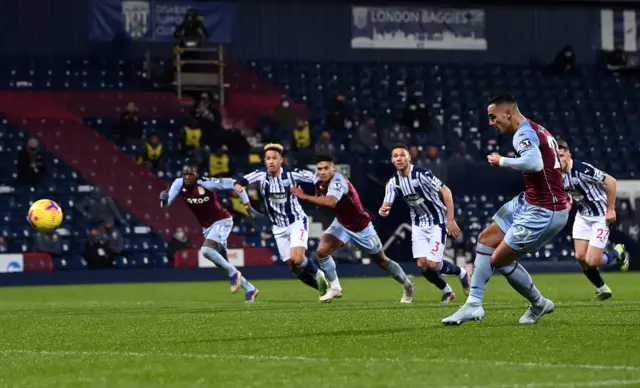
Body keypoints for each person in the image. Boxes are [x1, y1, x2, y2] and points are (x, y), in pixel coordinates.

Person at [443, 93, 569, 326]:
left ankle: (539, 303)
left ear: (508, 113)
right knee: (486, 238)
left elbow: (534, 164)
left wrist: (502, 161)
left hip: (545, 210)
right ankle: (473, 304)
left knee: (499, 259)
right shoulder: (536, 129)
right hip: (530, 201)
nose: (491, 122)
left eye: (493, 117)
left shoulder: (523, 133)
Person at [290, 154, 414, 303]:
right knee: (322, 251)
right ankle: (335, 288)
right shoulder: (317, 178)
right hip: (341, 223)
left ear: (333, 168)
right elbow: (318, 194)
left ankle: (407, 285)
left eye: (326, 168)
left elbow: (330, 202)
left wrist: (304, 197)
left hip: (360, 226)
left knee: (382, 261)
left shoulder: (338, 181)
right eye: (320, 169)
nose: (322, 172)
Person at [234, 144, 330, 298]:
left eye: (274, 158)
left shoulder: (291, 174)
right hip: (278, 227)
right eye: (268, 159)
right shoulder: (261, 174)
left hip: (296, 221)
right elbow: (241, 180)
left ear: (281, 160)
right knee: (294, 268)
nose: (271, 162)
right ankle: (321, 289)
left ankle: (319, 274)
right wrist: (240, 188)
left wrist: (321, 191)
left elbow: (316, 177)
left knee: (297, 258)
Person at [379, 144, 470, 303]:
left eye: (402, 155)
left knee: (433, 264)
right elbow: (386, 205)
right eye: (395, 156)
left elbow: (446, 191)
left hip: (437, 221)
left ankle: (462, 272)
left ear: (409, 157)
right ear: (392, 160)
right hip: (419, 224)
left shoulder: (422, 174)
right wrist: (383, 210)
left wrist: (450, 220)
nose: (399, 158)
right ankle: (447, 291)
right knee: (422, 264)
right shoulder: (393, 182)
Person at [160, 161, 260, 303]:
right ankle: (250, 289)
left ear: (197, 175)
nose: (187, 177)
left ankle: (234, 275)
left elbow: (235, 184)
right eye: (185, 173)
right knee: (223, 263)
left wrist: (247, 206)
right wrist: (163, 199)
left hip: (222, 221)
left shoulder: (208, 184)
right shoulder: (178, 183)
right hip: (207, 228)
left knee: (206, 251)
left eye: (191, 174)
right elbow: (166, 204)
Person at [557, 140, 629, 300]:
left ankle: (617, 252)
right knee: (580, 257)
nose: (558, 159)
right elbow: (569, 195)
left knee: (592, 260)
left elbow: (611, 181)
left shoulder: (582, 170)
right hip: (583, 216)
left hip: (600, 216)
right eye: (556, 156)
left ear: (569, 155)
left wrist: (610, 209)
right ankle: (603, 289)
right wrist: (567, 204)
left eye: (561, 155)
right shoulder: (558, 175)